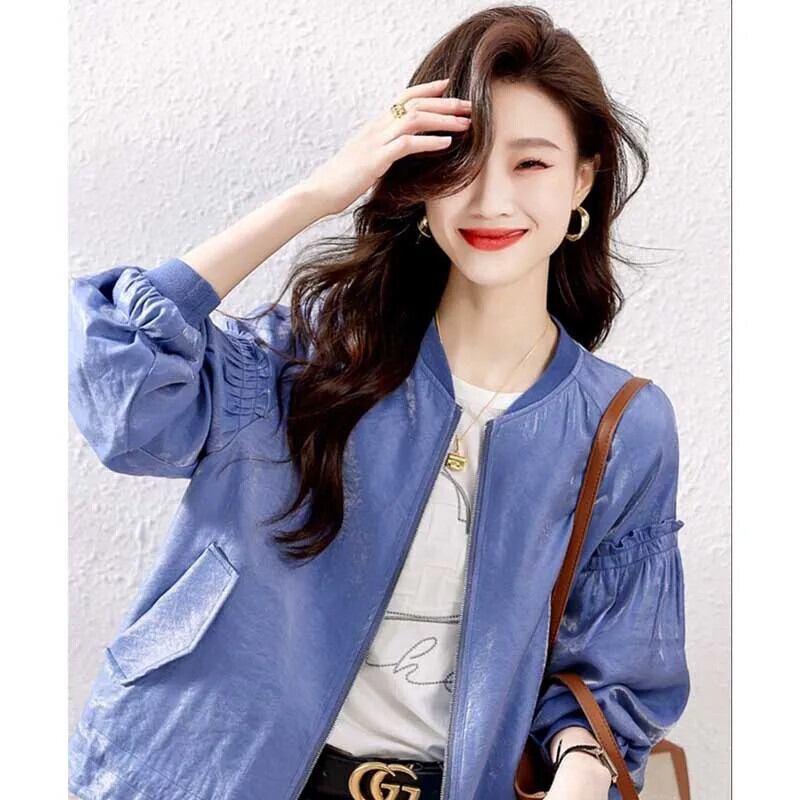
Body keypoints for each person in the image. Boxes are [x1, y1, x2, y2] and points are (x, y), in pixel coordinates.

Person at [68, 6, 690, 800]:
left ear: (582, 178)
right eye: (461, 162)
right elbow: (120, 391)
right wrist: (316, 194)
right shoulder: (307, 359)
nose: (491, 199)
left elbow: (615, 667)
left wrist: (581, 766)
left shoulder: (624, 425)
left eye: (530, 163)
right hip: (211, 772)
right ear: (419, 177)